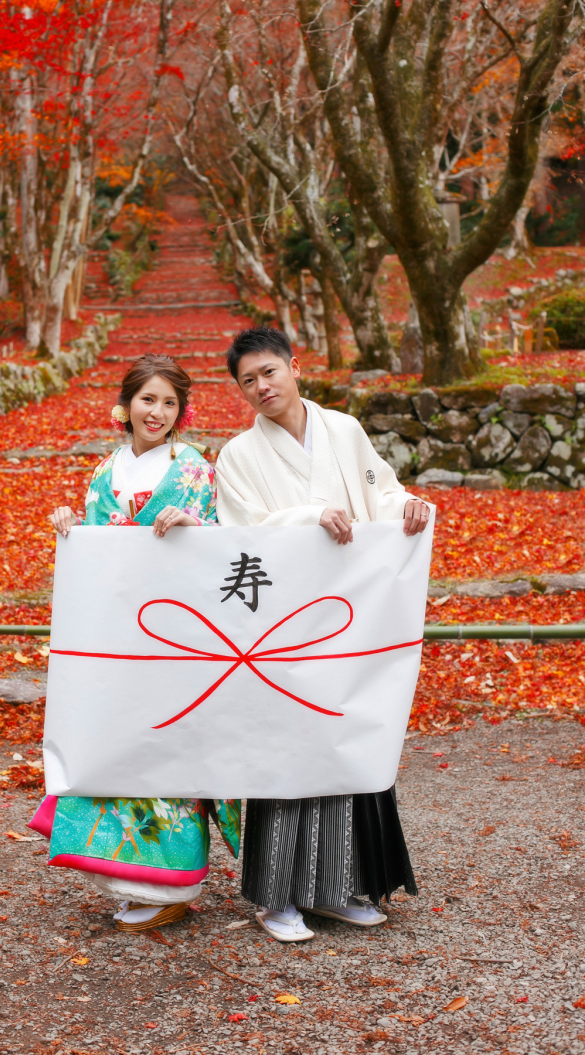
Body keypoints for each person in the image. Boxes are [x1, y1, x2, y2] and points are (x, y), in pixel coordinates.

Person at [215, 326, 430, 943]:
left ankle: (338, 890)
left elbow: (381, 494)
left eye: (269, 372)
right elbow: (243, 536)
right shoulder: (237, 457)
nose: (261, 387)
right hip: (282, 624)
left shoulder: (343, 429)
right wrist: (309, 517)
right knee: (289, 750)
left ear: (294, 368)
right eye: (248, 381)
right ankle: (276, 898)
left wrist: (407, 506)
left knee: (348, 740)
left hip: (350, 612)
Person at [32, 354, 240, 934]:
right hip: (119, 634)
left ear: (182, 412)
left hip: (178, 636)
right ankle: (125, 876)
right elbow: (97, 544)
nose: (158, 412)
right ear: (127, 405)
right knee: (118, 749)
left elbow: (228, 547)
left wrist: (196, 529)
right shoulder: (105, 472)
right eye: (148, 399)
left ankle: (173, 882)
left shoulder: (196, 469)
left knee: (168, 757)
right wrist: (70, 522)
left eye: (170, 403)